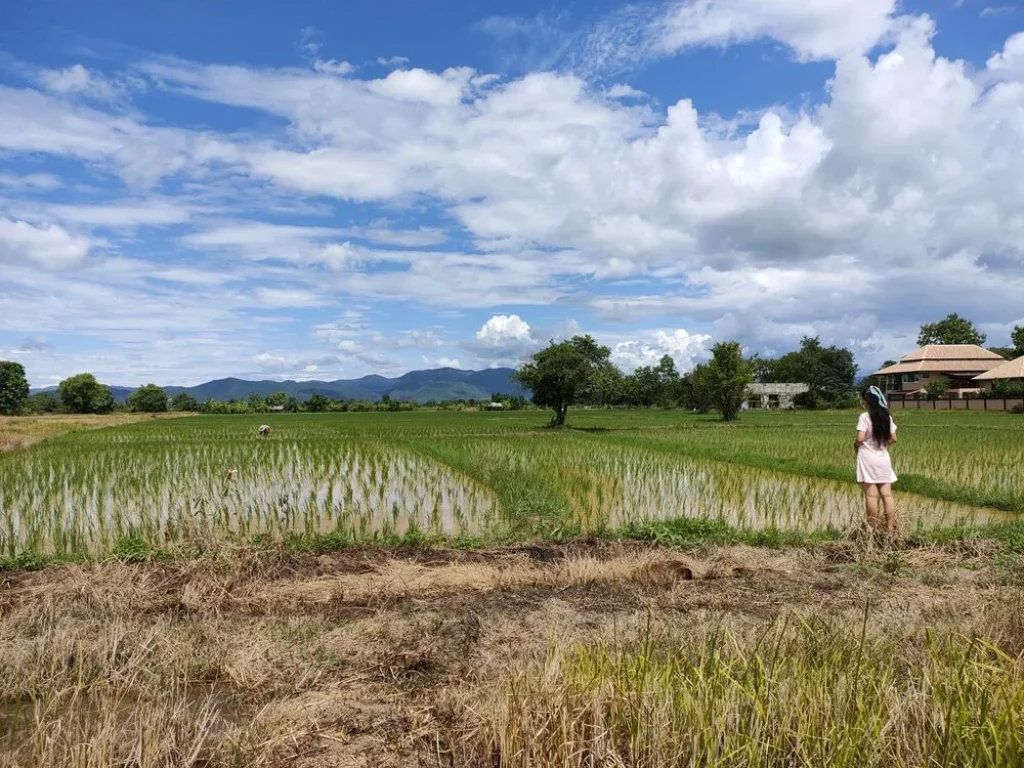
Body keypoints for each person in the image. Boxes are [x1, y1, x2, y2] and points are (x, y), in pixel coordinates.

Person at [855, 385, 898, 535]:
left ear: (866, 401)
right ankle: (890, 529)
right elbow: (894, 439)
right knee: (887, 495)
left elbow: (860, 438)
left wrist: (856, 445)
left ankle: (871, 529)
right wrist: (882, 444)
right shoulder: (887, 417)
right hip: (883, 458)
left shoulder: (864, 417)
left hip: (868, 459)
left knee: (871, 495)